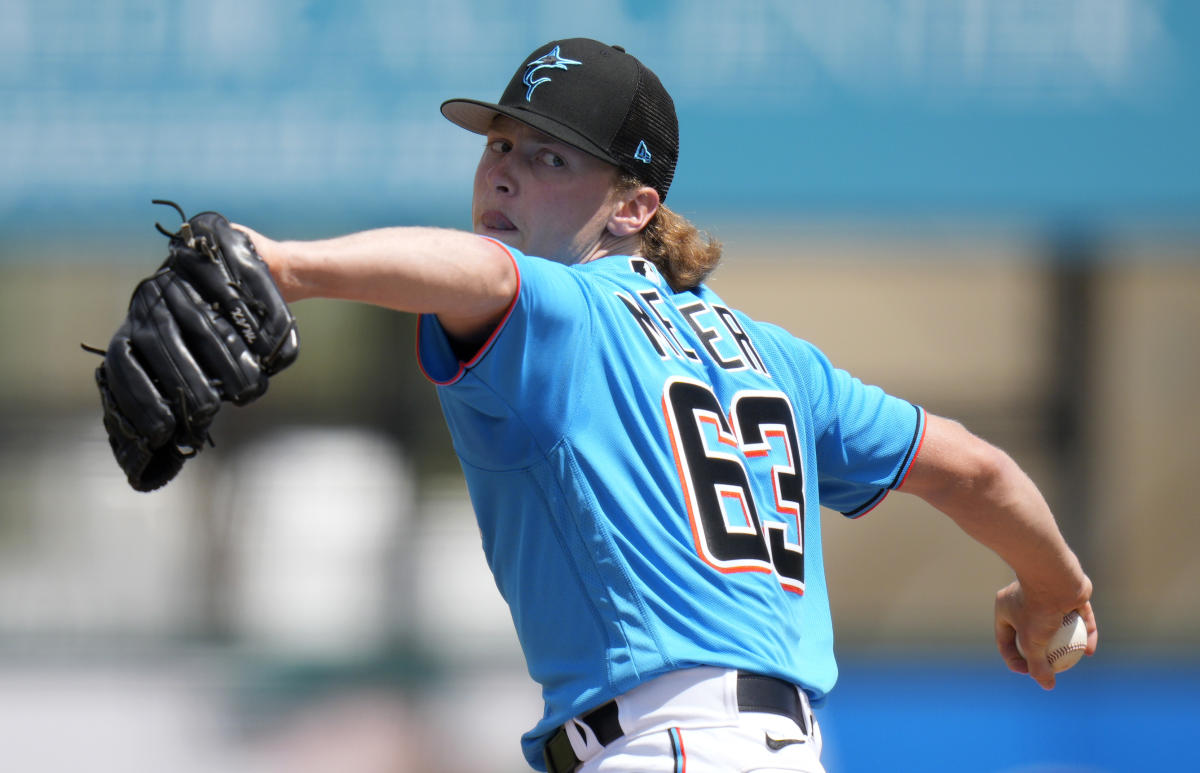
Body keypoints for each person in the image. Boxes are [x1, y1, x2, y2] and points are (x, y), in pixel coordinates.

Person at [235, 38, 1097, 773]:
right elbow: (975, 471)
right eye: (499, 146)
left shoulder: (567, 310)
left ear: (633, 206)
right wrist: (1054, 587)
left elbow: (484, 273)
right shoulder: (779, 358)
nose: (503, 175)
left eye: (550, 158)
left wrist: (284, 267)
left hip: (664, 746)